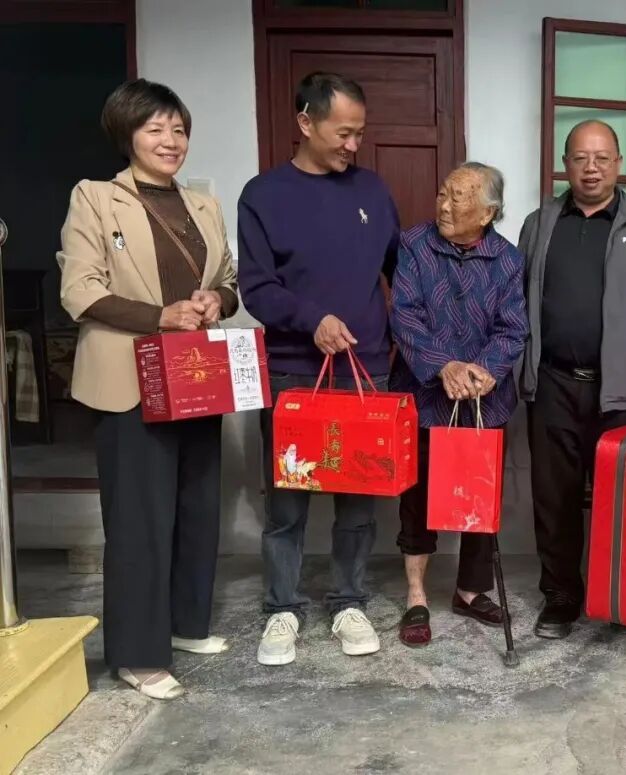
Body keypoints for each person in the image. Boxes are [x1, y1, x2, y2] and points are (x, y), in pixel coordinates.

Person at [57, 79, 238, 700]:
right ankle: (137, 654)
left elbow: (230, 278)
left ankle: (185, 625)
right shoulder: (95, 198)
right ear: (127, 134)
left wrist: (218, 300)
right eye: (155, 128)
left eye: (178, 129)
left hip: (195, 377)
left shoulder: (203, 205)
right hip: (128, 382)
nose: (170, 141)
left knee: (196, 507)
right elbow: (80, 291)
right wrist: (160, 316)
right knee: (139, 521)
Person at [238, 71, 400, 666]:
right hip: (293, 374)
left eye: (359, 133)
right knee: (287, 503)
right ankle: (282, 608)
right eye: (343, 133)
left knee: (358, 502)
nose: (353, 145)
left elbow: (402, 272)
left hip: (366, 373)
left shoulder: (373, 191)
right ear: (305, 122)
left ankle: (348, 602)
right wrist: (312, 320)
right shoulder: (263, 195)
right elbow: (256, 287)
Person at [518, 120, 626, 639]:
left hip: (624, 391)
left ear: (618, 164)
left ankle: (618, 599)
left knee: (621, 504)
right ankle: (561, 597)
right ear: (565, 164)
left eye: (602, 158)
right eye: (581, 158)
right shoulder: (540, 223)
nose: (592, 168)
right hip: (552, 384)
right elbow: (519, 300)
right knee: (554, 499)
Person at [388, 162, 527, 647]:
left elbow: (513, 328)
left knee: (479, 496)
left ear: (487, 213)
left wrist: (482, 370)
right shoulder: (415, 244)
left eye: (458, 198)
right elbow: (404, 315)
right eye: (443, 194)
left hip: (484, 398)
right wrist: (443, 365)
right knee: (418, 496)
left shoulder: (507, 260)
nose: (444, 205)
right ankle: (416, 594)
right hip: (424, 393)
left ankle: (470, 590)